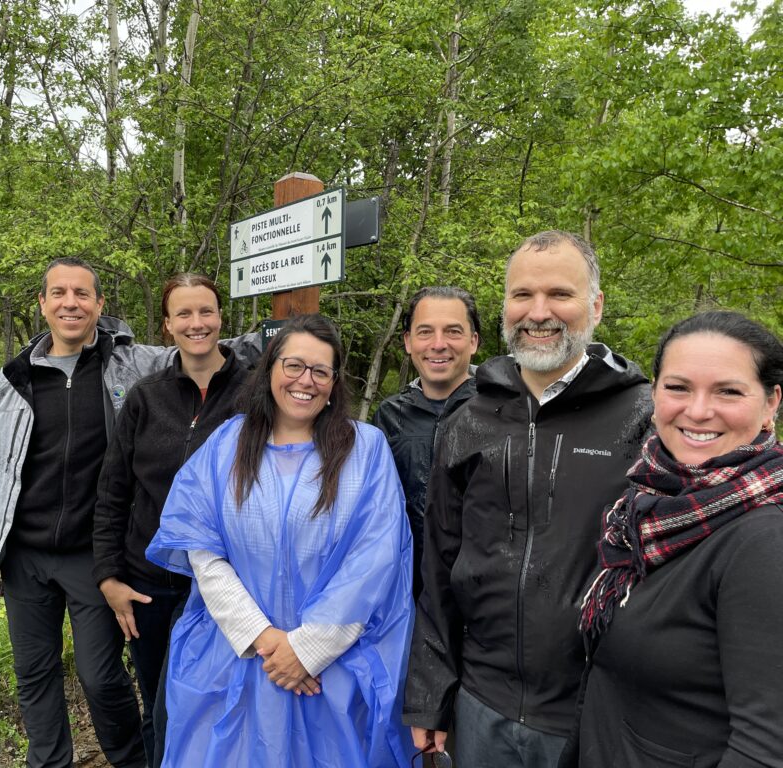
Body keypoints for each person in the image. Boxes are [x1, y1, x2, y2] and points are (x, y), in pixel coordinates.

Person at [0, 257, 256, 768]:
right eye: (58, 293)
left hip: (93, 553)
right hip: (23, 556)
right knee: (33, 673)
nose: (70, 303)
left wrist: (288, 338)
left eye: (82, 294)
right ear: (42, 304)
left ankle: (131, 759)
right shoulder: (14, 379)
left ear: (100, 306)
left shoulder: (127, 363)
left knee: (101, 675)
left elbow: (203, 345)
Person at [403, 231, 652, 768]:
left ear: (596, 305)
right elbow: (439, 566)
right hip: (480, 704)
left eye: (560, 294)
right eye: (522, 295)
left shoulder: (646, 418)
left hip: (596, 713)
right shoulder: (468, 420)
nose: (538, 312)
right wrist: (430, 696)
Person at [145, 314, 416, 768]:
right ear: (270, 368)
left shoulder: (365, 450)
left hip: (333, 668)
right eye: (293, 365)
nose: (304, 381)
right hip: (236, 655)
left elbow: (375, 560)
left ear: (334, 383)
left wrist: (307, 651)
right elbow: (203, 549)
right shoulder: (227, 445)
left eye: (320, 371)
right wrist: (265, 639)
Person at [573, 311, 783, 767]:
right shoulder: (649, 500)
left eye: (728, 391)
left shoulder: (764, 542)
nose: (698, 410)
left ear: (771, 403)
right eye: (678, 387)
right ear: (654, 393)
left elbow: (766, 748)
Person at [92, 273, 251, 766]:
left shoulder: (256, 391)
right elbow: (113, 492)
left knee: (218, 702)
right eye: (183, 314)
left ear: (221, 318)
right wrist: (109, 577)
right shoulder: (145, 397)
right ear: (167, 325)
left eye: (205, 311)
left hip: (228, 583)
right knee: (158, 703)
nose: (196, 323)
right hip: (151, 585)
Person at [373, 286, 480, 598]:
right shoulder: (388, 417)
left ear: (473, 341)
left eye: (453, 331)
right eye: (425, 332)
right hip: (404, 593)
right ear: (408, 341)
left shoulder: (500, 411)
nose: (438, 344)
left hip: (479, 599)